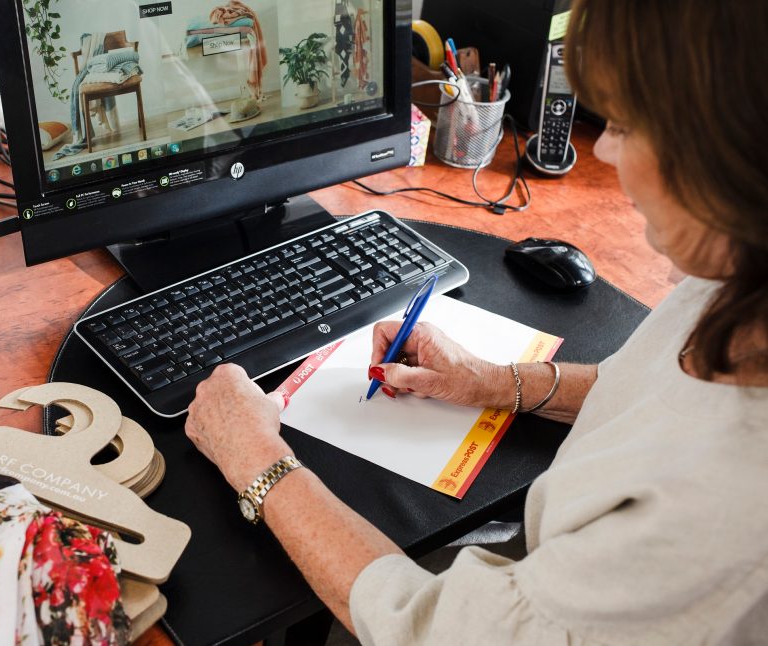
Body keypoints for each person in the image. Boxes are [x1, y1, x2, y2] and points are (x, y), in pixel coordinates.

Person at [184, 0, 768, 642]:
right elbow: (641, 398)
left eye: (625, 126)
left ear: (725, 154)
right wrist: (493, 382)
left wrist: (258, 461)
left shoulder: (718, 513)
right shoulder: (736, 274)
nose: (601, 146)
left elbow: (427, 627)